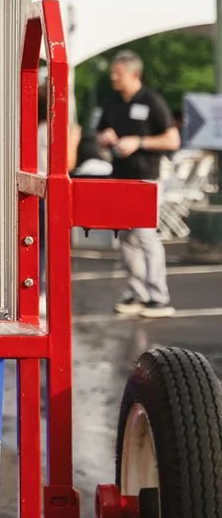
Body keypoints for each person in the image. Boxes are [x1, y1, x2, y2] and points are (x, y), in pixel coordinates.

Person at [96, 50, 180, 318]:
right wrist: (104, 137)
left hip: (147, 178)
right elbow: (98, 134)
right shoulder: (112, 104)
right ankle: (137, 292)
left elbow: (173, 140)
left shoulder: (152, 101)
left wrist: (139, 142)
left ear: (134, 74)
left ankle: (159, 297)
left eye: (117, 74)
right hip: (120, 177)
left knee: (145, 235)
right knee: (125, 237)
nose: (113, 77)